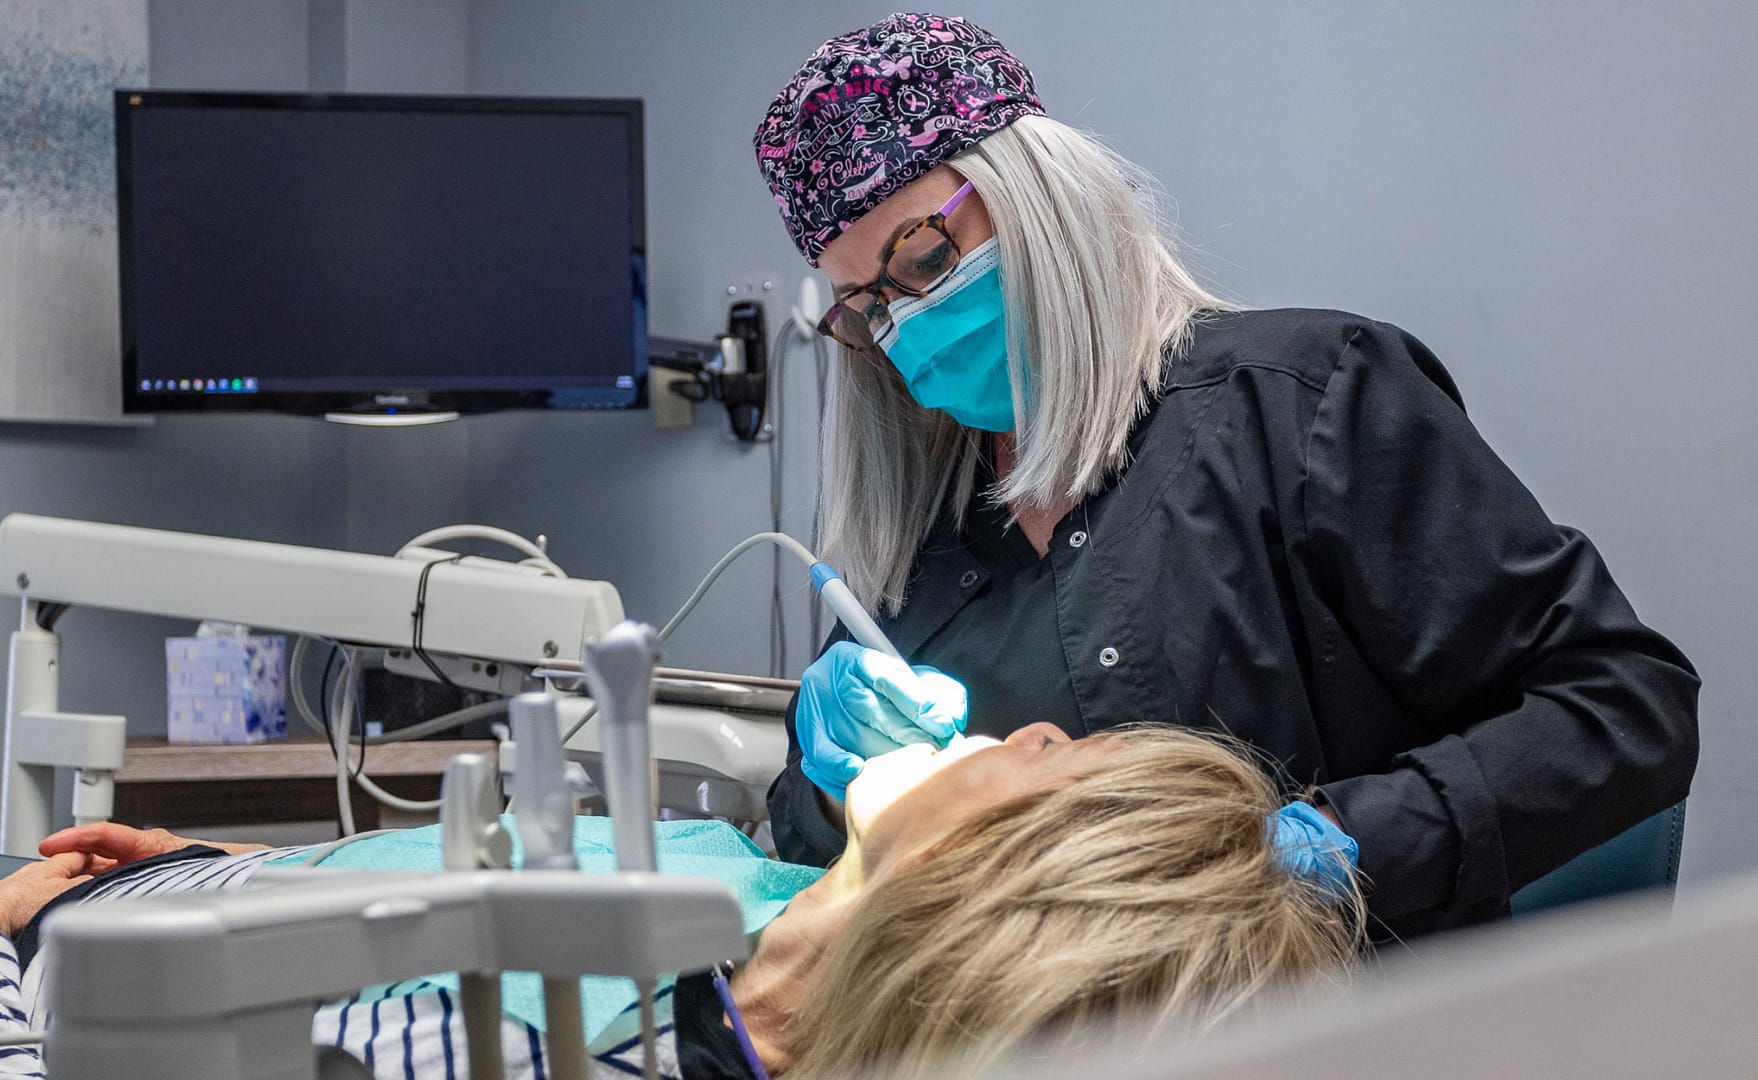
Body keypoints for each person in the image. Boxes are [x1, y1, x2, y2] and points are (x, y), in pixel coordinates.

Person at [754, 12, 1700, 940]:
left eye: (922, 258)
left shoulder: (1307, 403)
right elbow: (806, 842)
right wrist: (833, 777)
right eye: (867, 305)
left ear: (1042, 199)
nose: (906, 323)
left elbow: (1626, 707)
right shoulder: (931, 523)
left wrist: (1334, 848)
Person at [0, 724, 1357, 1078]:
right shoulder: (750, 913)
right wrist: (258, 870)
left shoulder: (541, 1047)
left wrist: (16, 933)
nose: (1030, 725)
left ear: (980, 891)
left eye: (1053, 758)